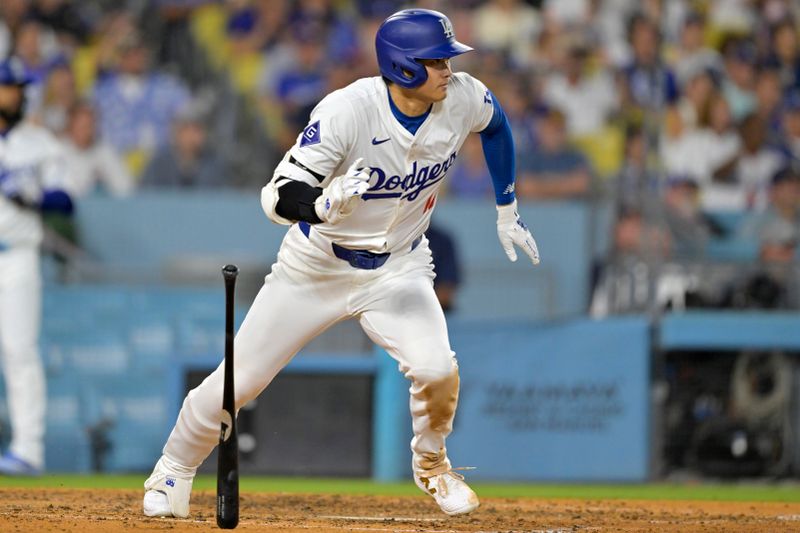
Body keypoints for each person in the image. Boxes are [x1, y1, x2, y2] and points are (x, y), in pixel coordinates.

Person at [142, 8, 539, 518]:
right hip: (317, 266)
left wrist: (507, 206)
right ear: (404, 68)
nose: (448, 69)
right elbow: (276, 196)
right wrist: (321, 206)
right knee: (238, 382)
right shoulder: (347, 110)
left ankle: (433, 466)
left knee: (438, 370)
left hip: (399, 266)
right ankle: (172, 469)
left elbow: (498, 123)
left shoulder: (460, 96)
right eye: (436, 61)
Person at [0, 57, 73, 475]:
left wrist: (33, 198)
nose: (17, 94)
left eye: (20, 87)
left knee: (19, 350)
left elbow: (67, 199)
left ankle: (28, 448)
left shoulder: (39, 142)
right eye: (9, 86)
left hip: (16, 255)